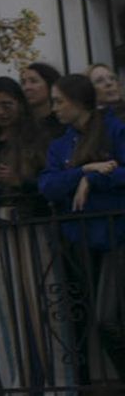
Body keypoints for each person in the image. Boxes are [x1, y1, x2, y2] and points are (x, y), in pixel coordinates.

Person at [0, 75, 76, 392]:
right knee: (6, 307)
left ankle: (60, 383)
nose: (0, 111)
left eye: (7, 104)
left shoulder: (39, 134)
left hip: (33, 224)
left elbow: (50, 181)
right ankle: (18, 384)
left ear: (19, 104)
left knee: (46, 304)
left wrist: (20, 180)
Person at [37, 73, 125, 383]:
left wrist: (93, 179)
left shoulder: (114, 129)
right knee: (98, 321)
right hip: (81, 243)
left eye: (59, 101)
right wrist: (83, 171)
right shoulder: (61, 144)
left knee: (107, 319)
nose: (54, 108)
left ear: (77, 102)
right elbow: (47, 186)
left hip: (117, 236)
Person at [22, 61, 64, 147]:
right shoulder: (21, 125)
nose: (27, 87)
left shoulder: (64, 122)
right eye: (23, 82)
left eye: (34, 81)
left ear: (50, 84)